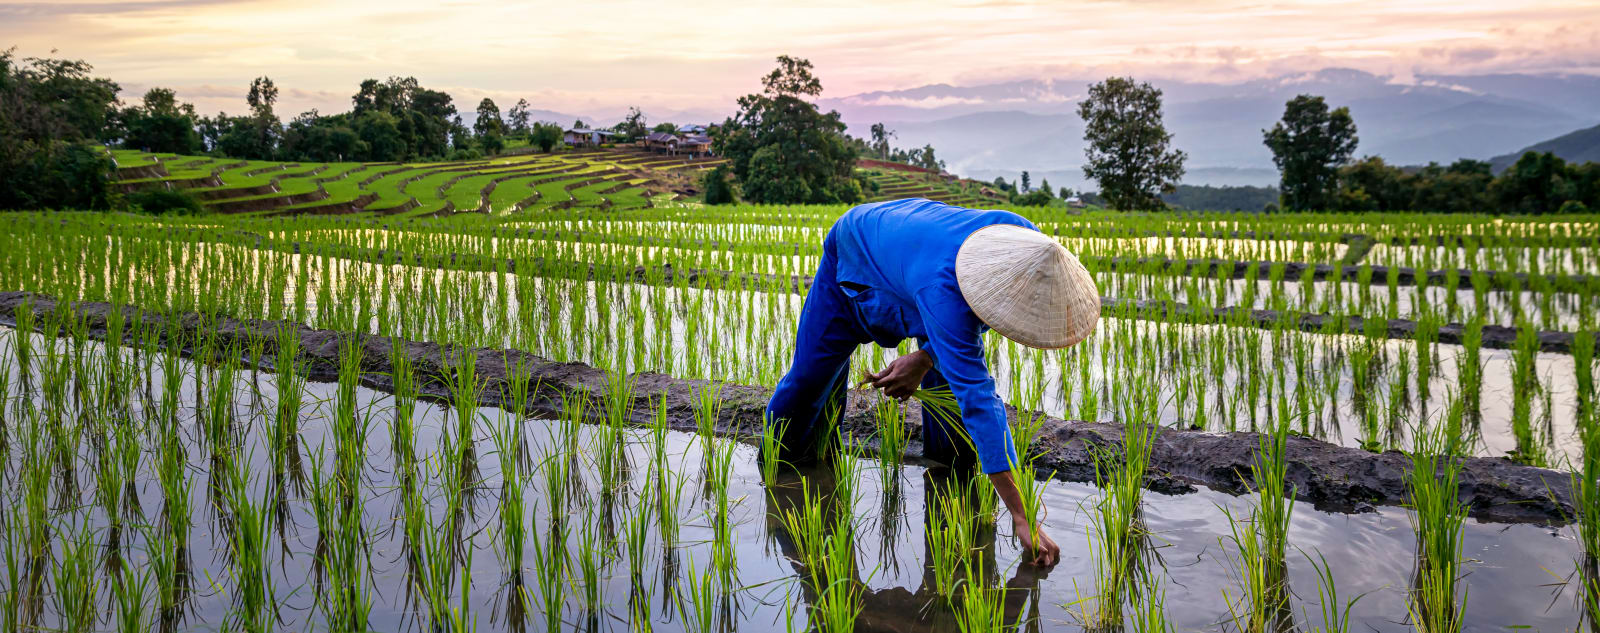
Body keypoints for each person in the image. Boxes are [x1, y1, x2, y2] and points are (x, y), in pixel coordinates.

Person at [765, 197, 1100, 567]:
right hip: (858, 248)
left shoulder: (1025, 243)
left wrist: (924, 358)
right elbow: (980, 402)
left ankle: (951, 472)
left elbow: (968, 325)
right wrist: (1023, 515)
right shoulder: (943, 292)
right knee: (810, 381)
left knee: (949, 393)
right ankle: (782, 467)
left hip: (919, 262)